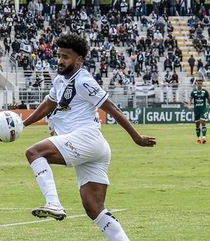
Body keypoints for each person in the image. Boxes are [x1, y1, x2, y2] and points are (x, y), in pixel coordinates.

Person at [22, 34, 156, 241]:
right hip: (94, 148)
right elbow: (49, 104)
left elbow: (111, 108)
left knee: (34, 152)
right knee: (94, 208)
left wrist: (136, 137)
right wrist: (22, 125)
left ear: (79, 60)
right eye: (59, 56)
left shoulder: (83, 80)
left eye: (66, 57)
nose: (60, 60)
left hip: (87, 137)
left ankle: (54, 204)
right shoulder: (60, 80)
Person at [188, 78, 210, 144]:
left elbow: (209, 100)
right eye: (198, 83)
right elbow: (190, 99)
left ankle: (203, 137)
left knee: (203, 121)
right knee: (197, 125)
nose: (200, 84)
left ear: (202, 84)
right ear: (196, 84)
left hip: (203, 109)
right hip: (196, 110)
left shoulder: (205, 92)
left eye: (201, 83)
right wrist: (189, 105)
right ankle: (198, 138)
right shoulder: (193, 92)